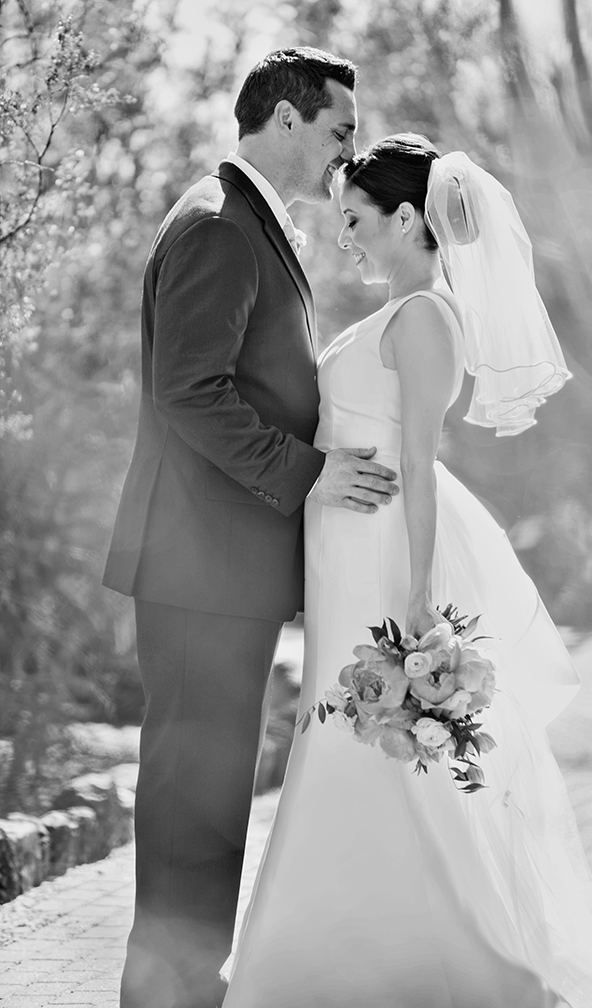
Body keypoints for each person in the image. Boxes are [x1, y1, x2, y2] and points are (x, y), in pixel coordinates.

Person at [220, 135, 592, 1007]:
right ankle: (330, 948)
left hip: (386, 549)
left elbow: (418, 462)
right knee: (343, 733)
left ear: (405, 217)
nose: (345, 234)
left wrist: (419, 591)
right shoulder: (391, 313)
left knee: (377, 739)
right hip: (344, 547)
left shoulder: (425, 317)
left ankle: (446, 954)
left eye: (355, 218)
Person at [102, 48, 400, 1008]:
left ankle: (185, 984)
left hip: (217, 566)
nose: (347, 154)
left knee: (214, 788)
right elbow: (189, 390)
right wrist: (309, 475)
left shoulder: (244, 224)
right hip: (198, 566)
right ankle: (166, 992)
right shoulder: (222, 229)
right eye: (339, 130)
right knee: (194, 790)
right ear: (283, 118)